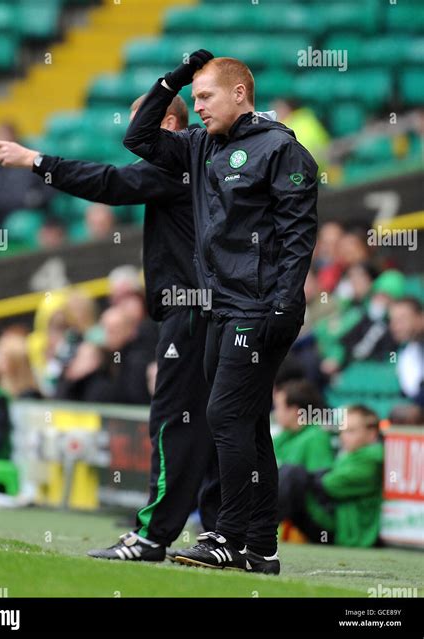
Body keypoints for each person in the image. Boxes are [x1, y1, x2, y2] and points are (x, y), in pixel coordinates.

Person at [0, 94, 218, 561]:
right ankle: (224, 532)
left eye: (141, 127)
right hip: (204, 306)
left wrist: (36, 161)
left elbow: (107, 182)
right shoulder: (196, 159)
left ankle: (153, 536)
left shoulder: (175, 163)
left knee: (172, 420)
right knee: (211, 422)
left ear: (168, 122)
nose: (134, 141)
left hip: (188, 309)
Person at [124, 51, 318, 573]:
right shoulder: (200, 145)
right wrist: (176, 77)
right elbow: (138, 139)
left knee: (225, 417)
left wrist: (281, 303)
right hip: (220, 308)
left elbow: (299, 237)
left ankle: (228, 536)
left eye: (205, 96)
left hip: (259, 308)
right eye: (193, 98)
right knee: (249, 423)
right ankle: (262, 549)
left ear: (239, 93)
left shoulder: (281, 149)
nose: (198, 106)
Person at [278, 405, 384, 547]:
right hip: (337, 519)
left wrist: (312, 477)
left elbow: (329, 485)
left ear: (372, 433)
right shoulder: (353, 455)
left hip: (346, 531)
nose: (343, 436)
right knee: (291, 474)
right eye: (342, 431)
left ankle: (259, 528)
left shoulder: (373, 458)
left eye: (350, 431)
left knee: (293, 475)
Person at [273, 380, 334, 472]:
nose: (275, 413)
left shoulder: (317, 438)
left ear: (294, 411)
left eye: (278, 407)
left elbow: (318, 479)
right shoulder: (283, 436)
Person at [389, 297, 424, 407]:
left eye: (402, 319)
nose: (395, 326)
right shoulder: (400, 350)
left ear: (421, 318)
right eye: (392, 320)